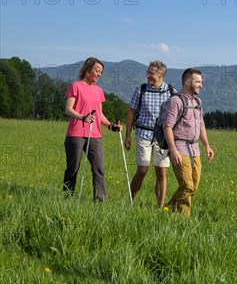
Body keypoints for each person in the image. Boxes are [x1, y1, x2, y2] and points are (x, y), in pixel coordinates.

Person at [63, 57, 122, 201]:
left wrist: (110, 126)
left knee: (98, 168)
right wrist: (83, 117)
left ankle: (101, 200)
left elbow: (99, 113)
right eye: (97, 70)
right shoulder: (75, 86)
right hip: (76, 133)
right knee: (73, 168)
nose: (99, 74)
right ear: (87, 69)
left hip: (95, 134)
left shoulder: (98, 91)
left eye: (101, 72)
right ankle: (68, 198)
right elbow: (68, 110)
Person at [163, 68, 214, 216]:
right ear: (187, 82)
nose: (201, 85)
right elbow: (167, 126)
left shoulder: (198, 101)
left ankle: (167, 209)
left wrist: (207, 145)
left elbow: (201, 125)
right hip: (180, 148)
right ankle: (183, 220)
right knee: (187, 186)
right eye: (198, 82)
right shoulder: (175, 101)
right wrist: (173, 150)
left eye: (201, 82)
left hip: (195, 149)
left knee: (194, 186)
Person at [124, 61, 176, 208]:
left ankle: (160, 207)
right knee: (142, 170)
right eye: (148, 72)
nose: (148, 75)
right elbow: (131, 112)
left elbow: (176, 115)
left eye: (151, 73)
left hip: (163, 137)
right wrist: (127, 136)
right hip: (143, 133)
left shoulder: (171, 92)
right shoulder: (141, 90)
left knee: (161, 171)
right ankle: (130, 202)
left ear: (160, 75)